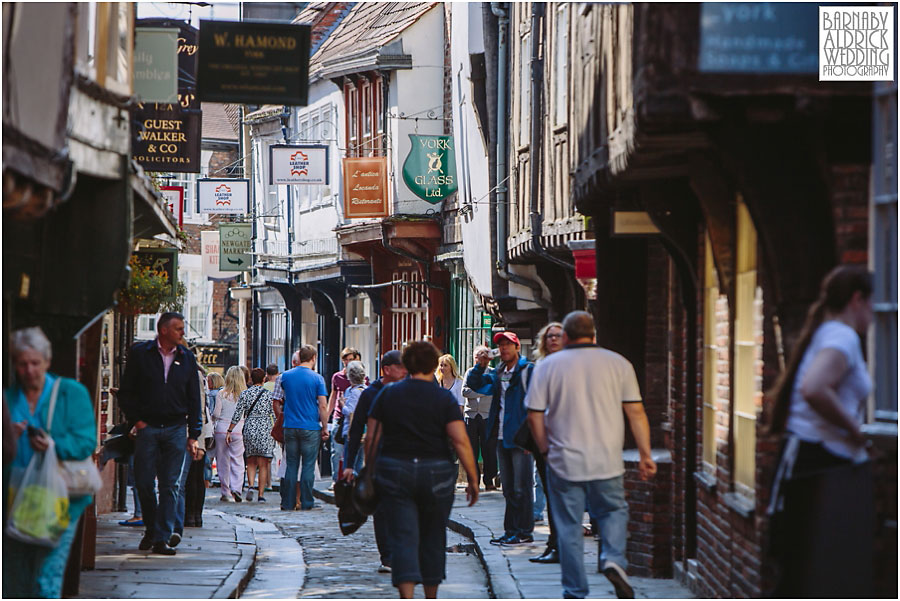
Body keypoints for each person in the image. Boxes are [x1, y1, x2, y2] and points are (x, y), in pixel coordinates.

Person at [526, 311, 656, 599]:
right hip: (606, 458)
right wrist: (646, 454)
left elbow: (534, 415)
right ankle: (612, 559)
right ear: (593, 334)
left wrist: (546, 449)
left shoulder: (548, 366)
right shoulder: (618, 363)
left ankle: (575, 590)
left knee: (568, 526)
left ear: (567, 336)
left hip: (563, 461)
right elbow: (636, 412)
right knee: (613, 512)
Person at [765, 266, 875, 598]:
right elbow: (814, 388)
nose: (874, 313)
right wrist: (854, 429)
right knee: (807, 574)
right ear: (857, 299)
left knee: (810, 572)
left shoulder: (830, 333)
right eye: (872, 303)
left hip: (820, 465)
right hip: (817, 466)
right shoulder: (841, 336)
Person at [366, 341, 479, 599]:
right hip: (436, 472)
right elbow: (460, 440)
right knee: (432, 535)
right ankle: (430, 596)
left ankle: (407, 596)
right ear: (433, 365)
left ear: (406, 365)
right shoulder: (442, 398)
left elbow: (372, 437)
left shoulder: (387, 394)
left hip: (395, 470)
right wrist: (473, 478)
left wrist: (371, 472)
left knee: (403, 536)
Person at [3, 327, 97, 597]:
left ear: (47, 362)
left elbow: (86, 441)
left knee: (46, 576)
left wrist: (53, 445)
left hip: (61, 499)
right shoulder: (7, 399)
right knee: (14, 578)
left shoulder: (70, 393)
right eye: (22, 364)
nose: (29, 370)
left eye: (35, 363)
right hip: (14, 496)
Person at [119, 312, 202, 556]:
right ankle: (152, 530)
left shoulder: (187, 357)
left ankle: (161, 537)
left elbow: (194, 398)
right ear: (163, 330)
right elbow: (126, 392)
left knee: (170, 485)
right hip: (149, 427)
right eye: (178, 328)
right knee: (144, 483)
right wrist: (137, 420)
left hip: (176, 427)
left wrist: (193, 433)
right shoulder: (141, 354)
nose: (183, 333)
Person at [341, 349, 408, 573]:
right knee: (382, 509)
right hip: (379, 458)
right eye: (401, 366)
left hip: (408, 459)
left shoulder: (409, 390)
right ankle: (387, 556)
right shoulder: (371, 394)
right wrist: (350, 464)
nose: (406, 370)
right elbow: (356, 428)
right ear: (386, 370)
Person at [466, 331, 536, 546]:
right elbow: (475, 384)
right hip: (499, 436)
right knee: (507, 487)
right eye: (501, 345)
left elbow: (537, 404)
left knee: (521, 486)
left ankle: (524, 531)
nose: (504, 348)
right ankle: (510, 530)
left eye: (508, 344)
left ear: (516, 347)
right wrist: (480, 364)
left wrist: (532, 438)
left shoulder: (527, 370)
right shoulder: (497, 372)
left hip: (520, 437)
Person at [272, 345, 329, 511]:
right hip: (310, 426)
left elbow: (277, 401)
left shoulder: (285, 377)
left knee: (291, 464)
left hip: (290, 425)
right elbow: (323, 406)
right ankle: (306, 501)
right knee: (308, 466)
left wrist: (281, 418)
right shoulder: (317, 379)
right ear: (313, 358)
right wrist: (325, 427)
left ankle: (288, 502)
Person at [529, 321, 564, 564]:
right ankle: (555, 544)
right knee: (552, 493)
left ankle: (561, 545)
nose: (553, 340)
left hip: (567, 436)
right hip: (545, 439)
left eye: (558, 336)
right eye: (549, 336)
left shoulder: (571, 364)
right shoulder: (539, 366)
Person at [173, 368, 214, 538]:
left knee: (192, 477)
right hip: (197, 431)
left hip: (194, 432)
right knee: (195, 476)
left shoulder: (192, 374)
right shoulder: (196, 375)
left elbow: (200, 410)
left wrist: (198, 438)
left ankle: (191, 516)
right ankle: (193, 516)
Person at [227, 368, 276, 502]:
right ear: (263, 379)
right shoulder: (268, 395)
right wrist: (277, 429)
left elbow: (238, 414)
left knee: (251, 461)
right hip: (265, 427)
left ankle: (251, 487)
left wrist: (230, 430)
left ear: (251, 380)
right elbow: (274, 414)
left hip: (250, 426)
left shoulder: (245, 394)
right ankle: (261, 495)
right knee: (264, 463)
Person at [462, 346, 498, 492]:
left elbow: (492, 391)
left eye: (481, 356)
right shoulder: (470, 372)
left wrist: (476, 391)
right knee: (471, 450)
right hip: (471, 415)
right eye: (476, 356)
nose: (478, 359)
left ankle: (489, 480)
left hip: (487, 415)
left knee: (489, 449)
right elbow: (465, 391)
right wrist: (481, 391)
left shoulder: (493, 373)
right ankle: (473, 481)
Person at [327, 347, 364, 485]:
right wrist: (327, 418)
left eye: (350, 360)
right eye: (345, 360)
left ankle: (355, 481)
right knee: (336, 451)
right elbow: (333, 396)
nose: (347, 363)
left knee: (356, 453)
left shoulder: (361, 378)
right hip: (339, 417)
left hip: (354, 418)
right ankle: (336, 480)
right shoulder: (337, 377)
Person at [213, 366, 247, 503]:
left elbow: (216, 413)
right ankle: (237, 488)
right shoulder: (245, 394)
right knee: (238, 460)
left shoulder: (221, 394)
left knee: (222, 461)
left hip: (222, 428)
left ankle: (225, 491)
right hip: (238, 429)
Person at [338, 361, 367, 473]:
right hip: (364, 431)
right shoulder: (366, 389)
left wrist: (342, 404)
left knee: (350, 464)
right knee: (359, 462)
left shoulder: (354, 392)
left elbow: (349, 411)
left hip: (351, 431)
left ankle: (351, 488)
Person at [204, 372, 225, 486]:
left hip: (213, 427)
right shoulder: (223, 392)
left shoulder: (211, 394)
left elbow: (212, 412)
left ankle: (207, 479)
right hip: (223, 426)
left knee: (209, 455)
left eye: (209, 380)